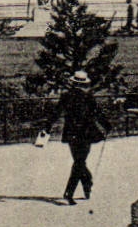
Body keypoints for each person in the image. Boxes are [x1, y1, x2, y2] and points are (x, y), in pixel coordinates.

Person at [43, 70, 107, 204]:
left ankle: (86, 183)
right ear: (84, 84)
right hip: (86, 132)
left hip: (71, 132)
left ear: (73, 82)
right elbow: (98, 113)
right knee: (80, 161)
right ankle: (70, 192)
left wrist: (47, 127)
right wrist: (107, 126)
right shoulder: (88, 97)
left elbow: (56, 113)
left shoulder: (66, 96)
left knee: (79, 161)